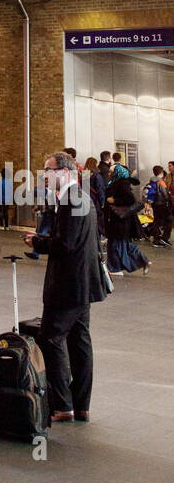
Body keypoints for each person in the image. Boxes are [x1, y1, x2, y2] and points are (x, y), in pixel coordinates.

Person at [23, 151, 107, 422]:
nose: (44, 175)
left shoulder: (71, 200)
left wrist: (38, 242)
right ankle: (82, 405)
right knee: (80, 342)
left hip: (67, 286)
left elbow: (65, 245)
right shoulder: (83, 199)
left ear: (67, 172)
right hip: (84, 284)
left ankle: (63, 405)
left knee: (51, 338)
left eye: (49, 170)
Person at [104, 174, 150, 276]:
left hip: (119, 220)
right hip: (122, 221)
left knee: (117, 244)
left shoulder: (120, 183)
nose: (110, 172)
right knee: (124, 244)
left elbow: (129, 199)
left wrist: (114, 201)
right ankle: (142, 261)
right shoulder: (122, 183)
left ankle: (115, 268)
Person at [143, 165, 173, 249]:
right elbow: (165, 195)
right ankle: (163, 238)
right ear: (161, 173)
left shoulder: (151, 181)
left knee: (157, 222)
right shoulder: (161, 182)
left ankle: (157, 240)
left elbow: (148, 193)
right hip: (162, 204)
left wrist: (148, 203)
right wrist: (169, 202)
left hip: (155, 204)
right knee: (169, 220)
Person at [83, 156, 107, 237]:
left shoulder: (83, 175)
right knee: (99, 222)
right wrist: (103, 202)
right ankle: (99, 240)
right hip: (96, 202)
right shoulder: (96, 175)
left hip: (86, 202)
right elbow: (100, 190)